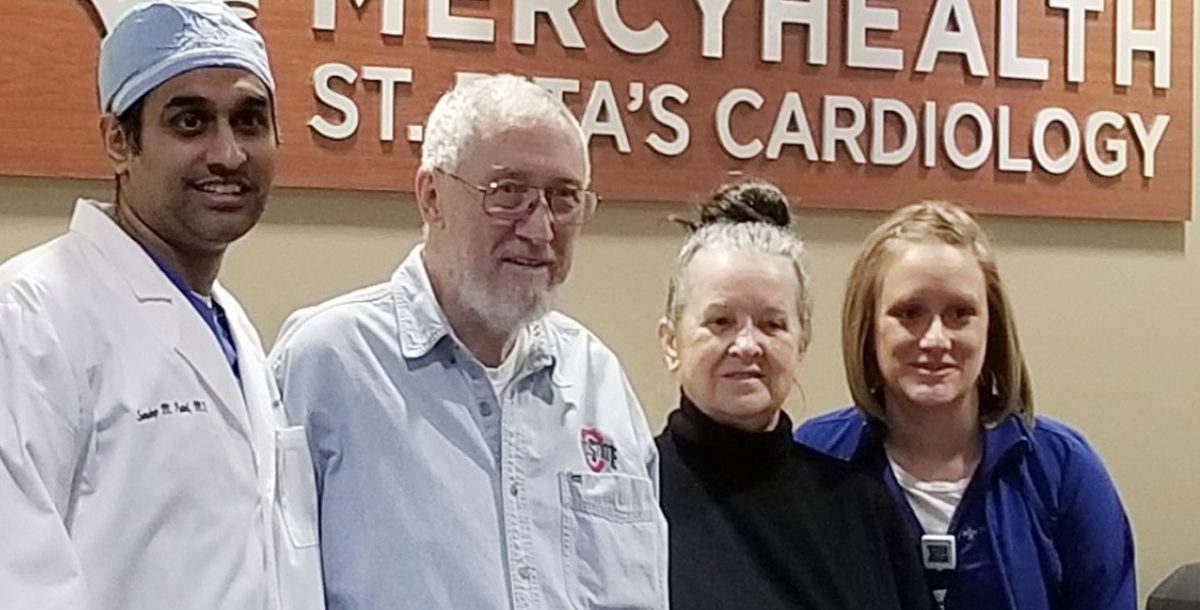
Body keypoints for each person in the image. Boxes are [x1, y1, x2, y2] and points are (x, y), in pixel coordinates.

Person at [270, 74, 667, 610]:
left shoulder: (598, 381)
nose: (540, 229)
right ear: (431, 196)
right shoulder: (329, 365)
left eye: (563, 198)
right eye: (508, 194)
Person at [0, 2, 324, 609]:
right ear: (118, 142)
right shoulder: (29, 319)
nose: (228, 154)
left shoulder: (234, 330)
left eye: (250, 121)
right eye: (190, 122)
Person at [795, 201, 1136, 610]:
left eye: (960, 313)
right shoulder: (813, 462)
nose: (935, 339)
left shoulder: (1062, 469)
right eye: (909, 313)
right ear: (868, 327)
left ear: (991, 327)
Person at [654, 179, 932, 610]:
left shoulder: (861, 509)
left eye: (772, 325)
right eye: (721, 321)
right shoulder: (629, 497)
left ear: (801, 344)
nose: (747, 345)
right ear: (671, 341)